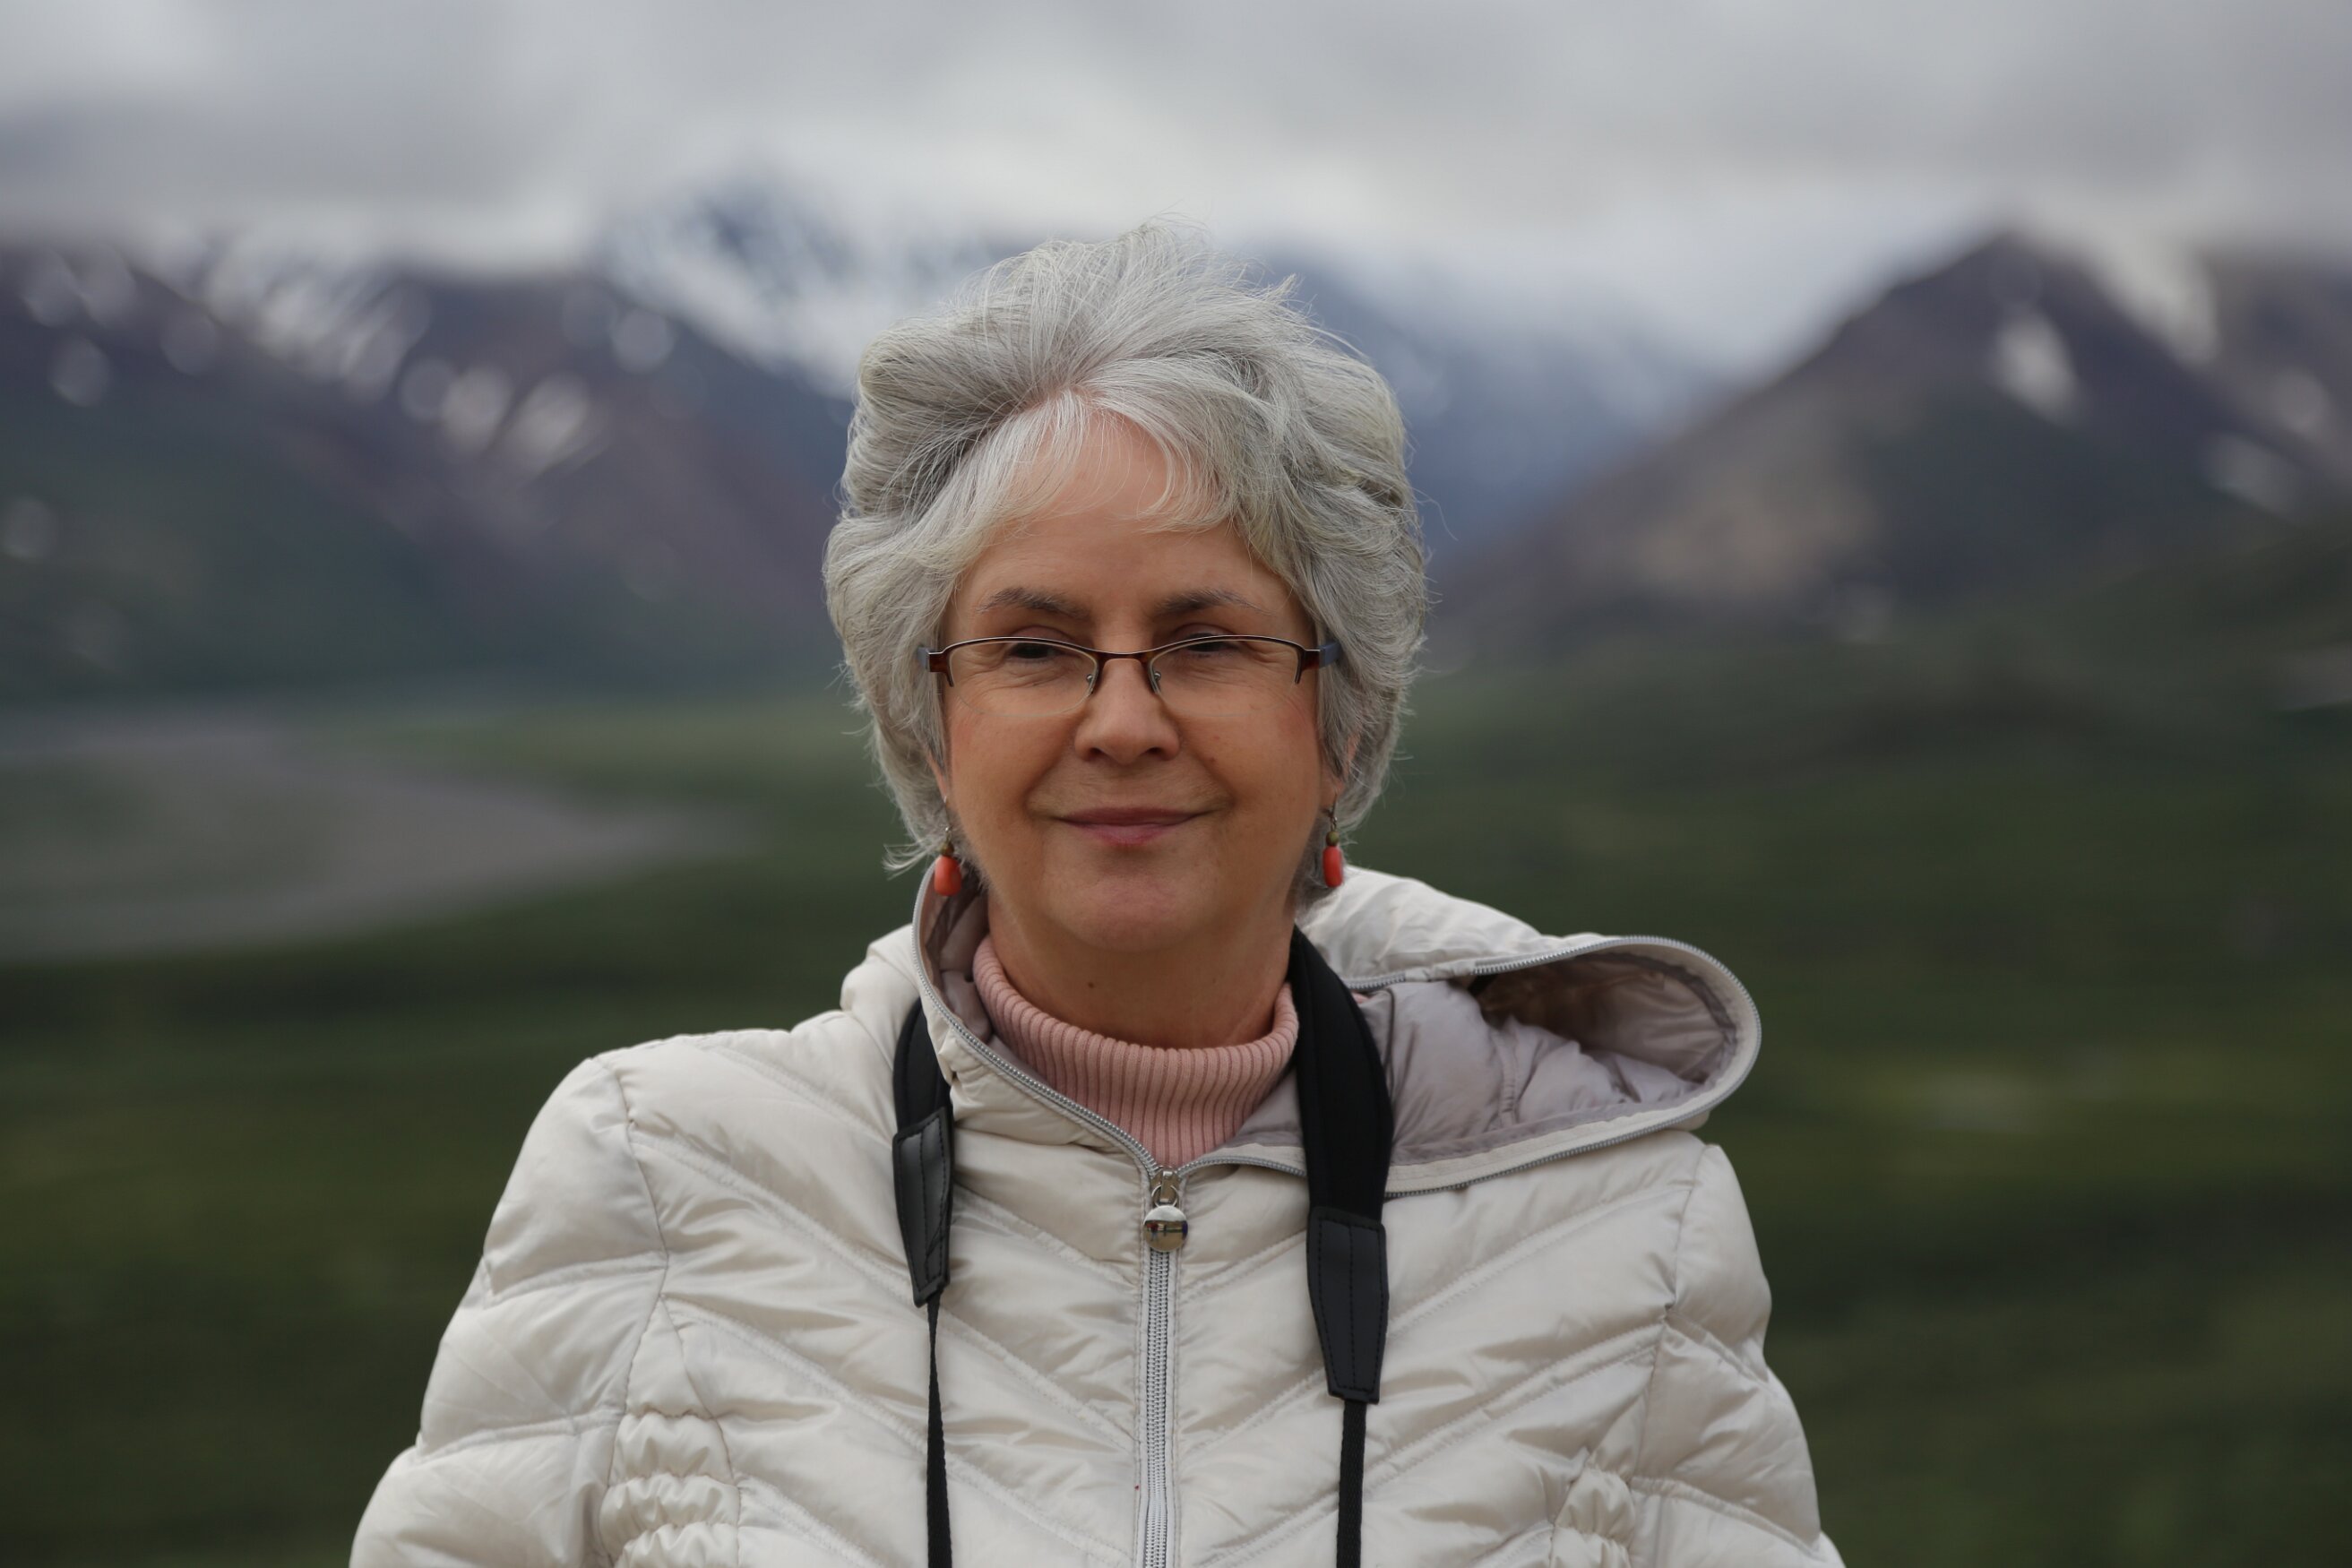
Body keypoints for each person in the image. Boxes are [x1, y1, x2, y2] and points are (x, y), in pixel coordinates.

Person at [354, 223, 1839, 1567]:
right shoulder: (655, 1174)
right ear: (928, 728)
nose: (1121, 720)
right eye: (1032, 646)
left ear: (1339, 724)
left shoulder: (1623, 1215)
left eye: (1206, 642)